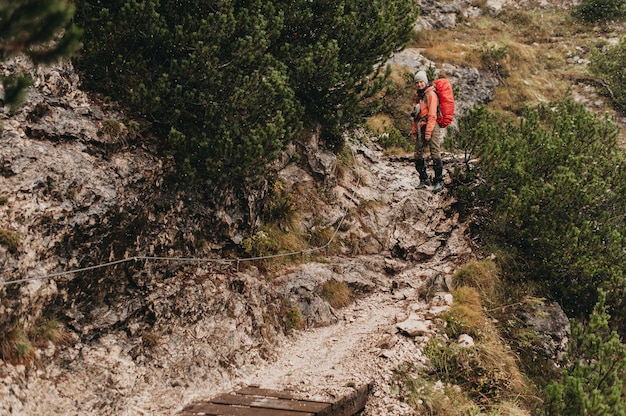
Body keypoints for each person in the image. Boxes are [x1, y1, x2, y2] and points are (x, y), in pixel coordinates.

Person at [411, 70, 444, 193]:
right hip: (421, 125)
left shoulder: (431, 95)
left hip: (432, 125)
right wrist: (415, 131)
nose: (419, 84)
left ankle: (439, 180)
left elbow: (432, 115)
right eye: (417, 82)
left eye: (421, 82)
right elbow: (415, 115)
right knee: (417, 154)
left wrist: (429, 132)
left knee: (434, 153)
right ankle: (423, 179)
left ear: (425, 82)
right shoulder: (418, 96)